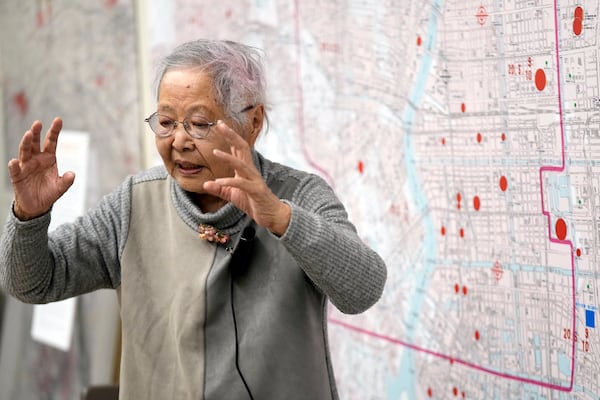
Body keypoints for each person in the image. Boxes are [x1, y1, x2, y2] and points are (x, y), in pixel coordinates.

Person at [0, 39, 387, 399]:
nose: (179, 141)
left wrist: (282, 218)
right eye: (166, 122)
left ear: (252, 123)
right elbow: (32, 283)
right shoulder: (134, 203)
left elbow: (363, 290)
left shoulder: (301, 195)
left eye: (199, 124)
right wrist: (29, 217)